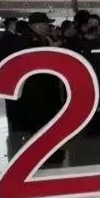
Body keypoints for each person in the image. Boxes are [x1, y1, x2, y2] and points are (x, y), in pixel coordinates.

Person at [20, 13, 66, 165]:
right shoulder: (29, 40)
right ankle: (45, 156)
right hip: (38, 89)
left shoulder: (42, 39)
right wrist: (51, 49)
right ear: (36, 25)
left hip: (47, 87)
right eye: (46, 24)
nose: (48, 27)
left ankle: (50, 152)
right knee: (41, 122)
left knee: (48, 121)